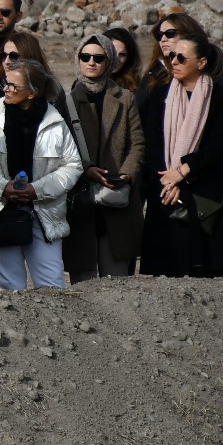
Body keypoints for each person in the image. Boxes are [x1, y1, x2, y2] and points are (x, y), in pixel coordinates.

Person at [0, 59, 83, 290]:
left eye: (13, 86)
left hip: (43, 213)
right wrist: (1, 186)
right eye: (5, 84)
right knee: (8, 286)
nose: (6, 89)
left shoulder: (55, 122)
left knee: (51, 286)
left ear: (32, 93)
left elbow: (72, 165)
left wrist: (37, 190)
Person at [138, 33, 223, 278]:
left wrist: (182, 172)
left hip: (203, 188)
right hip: (165, 188)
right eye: (172, 55)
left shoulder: (219, 96)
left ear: (202, 63)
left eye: (182, 58)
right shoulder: (160, 94)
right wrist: (168, 178)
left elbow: (218, 146)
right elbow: (153, 143)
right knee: (167, 266)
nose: (173, 61)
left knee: (207, 269)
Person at [61, 33, 145, 281]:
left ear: (109, 62)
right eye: (85, 56)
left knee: (117, 280)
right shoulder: (65, 102)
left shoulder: (125, 98)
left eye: (99, 57)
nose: (91, 62)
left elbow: (137, 143)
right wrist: (86, 169)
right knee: (83, 280)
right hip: (80, 198)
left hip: (116, 198)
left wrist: (125, 175)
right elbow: (60, 148)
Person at [136, 12, 207, 109]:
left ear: (188, 34)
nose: (163, 39)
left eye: (170, 33)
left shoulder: (210, 75)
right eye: (159, 35)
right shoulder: (154, 75)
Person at [106, 26, 143, 96]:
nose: (116, 59)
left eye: (122, 54)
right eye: (112, 52)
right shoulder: (88, 82)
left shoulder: (134, 86)